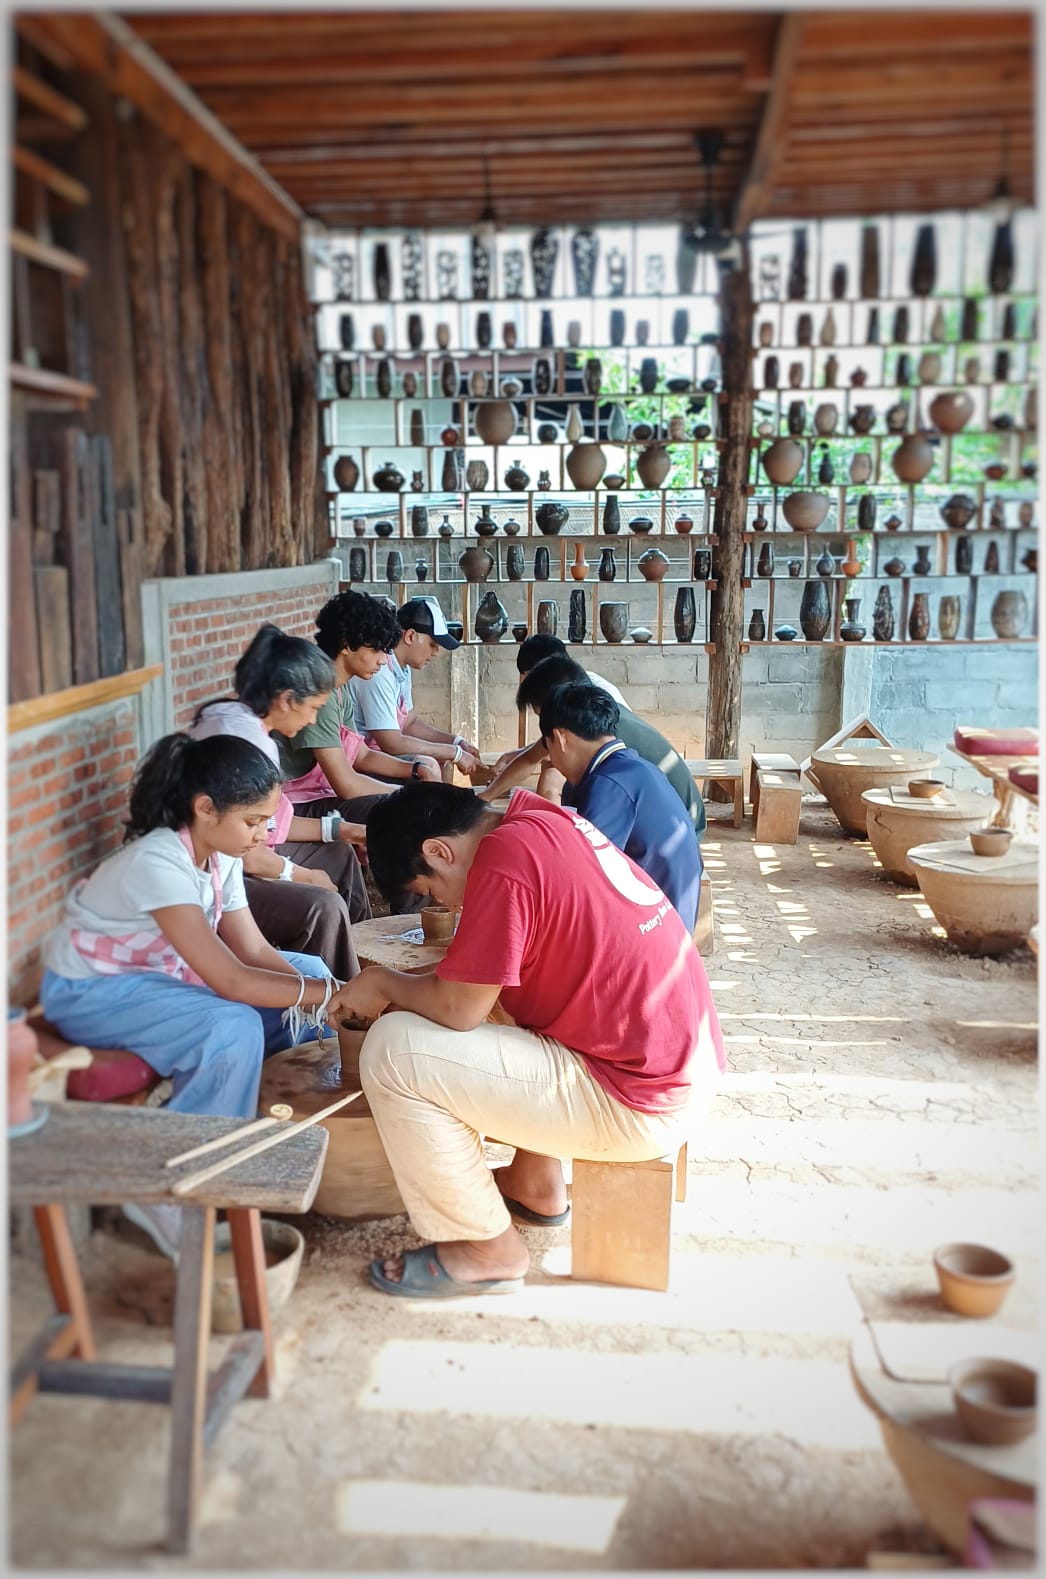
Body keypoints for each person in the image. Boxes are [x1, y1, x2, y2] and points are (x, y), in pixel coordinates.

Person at [332, 783, 724, 1299]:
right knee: (488, 986)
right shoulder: (534, 819)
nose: (443, 903)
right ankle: (534, 1182)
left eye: (430, 890)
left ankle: (485, 1250)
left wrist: (381, 984)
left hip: (642, 1099)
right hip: (680, 1064)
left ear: (438, 851)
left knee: (393, 1050)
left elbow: (457, 1008)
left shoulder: (502, 861)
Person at [40, 734, 345, 1258]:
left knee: (308, 968)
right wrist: (319, 996)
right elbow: (230, 980)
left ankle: (233, 1126)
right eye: (254, 821)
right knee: (232, 1027)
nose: (263, 834)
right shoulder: (157, 862)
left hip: (156, 976)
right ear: (205, 809)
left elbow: (250, 946)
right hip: (91, 992)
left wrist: (328, 988)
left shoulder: (221, 852)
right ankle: (172, 1183)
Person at [191, 624, 369, 979]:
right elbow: (249, 851)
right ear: (287, 699)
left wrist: (340, 829)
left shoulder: (240, 721)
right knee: (324, 906)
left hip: (238, 860)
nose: (313, 720)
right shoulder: (247, 744)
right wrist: (302, 875)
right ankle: (340, 1001)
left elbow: (272, 826)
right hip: (226, 871)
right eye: (314, 707)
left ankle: (359, 964)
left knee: (337, 851)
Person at [272, 592, 444, 908]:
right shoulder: (318, 694)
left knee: (413, 796)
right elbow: (346, 783)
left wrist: (415, 770)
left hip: (321, 797)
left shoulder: (342, 690)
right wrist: (404, 797)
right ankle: (411, 919)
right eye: (377, 649)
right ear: (349, 645)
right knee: (402, 815)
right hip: (294, 806)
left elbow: (361, 755)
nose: (383, 659)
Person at [538, 681, 703, 934]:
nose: (551, 760)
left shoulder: (609, 785)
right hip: (674, 913)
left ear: (560, 738)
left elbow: (584, 876)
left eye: (547, 747)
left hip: (657, 929)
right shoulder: (633, 767)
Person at [484, 654, 706, 841]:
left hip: (681, 828)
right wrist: (484, 797)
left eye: (544, 716)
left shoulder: (604, 752)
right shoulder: (592, 719)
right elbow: (531, 757)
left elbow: (552, 786)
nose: (545, 729)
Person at [348, 597, 483, 775]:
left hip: (377, 754)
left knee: (442, 760)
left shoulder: (402, 668)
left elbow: (409, 723)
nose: (436, 652)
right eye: (432, 644)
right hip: (361, 761)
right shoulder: (377, 671)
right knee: (428, 765)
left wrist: (455, 742)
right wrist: (453, 753)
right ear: (411, 636)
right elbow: (391, 743)